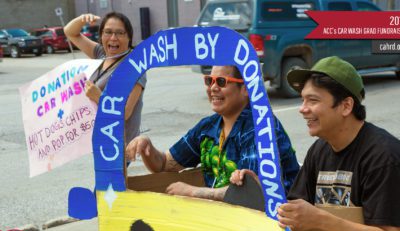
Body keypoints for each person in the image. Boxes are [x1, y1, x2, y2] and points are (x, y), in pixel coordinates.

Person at [275, 56, 400, 231]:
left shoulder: (384, 157)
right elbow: (297, 212)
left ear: (346, 106)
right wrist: (260, 189)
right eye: (302, 99)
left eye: (313, 100)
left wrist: (320, 220)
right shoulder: (319, 150)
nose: (302, 109)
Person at [126, 65, 299, 201]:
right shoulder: (208, 126)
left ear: (246, 88)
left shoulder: (260, 127)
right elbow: (165, 164)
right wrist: (146, 146)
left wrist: (193, 192)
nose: (213, 88)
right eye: (209, 81)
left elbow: (252, 194)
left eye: (221, 82)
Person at [64, 12, 146, 144]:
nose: (113, 38)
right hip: (100, 139)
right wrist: (82, 19)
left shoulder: (135, 66)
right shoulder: (101, 53)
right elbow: (70, 32)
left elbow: (125, 113)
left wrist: (99, 97)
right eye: (108, 32)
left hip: (119, 146)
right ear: (101, 35)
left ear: (129, 38)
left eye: (120, 33)